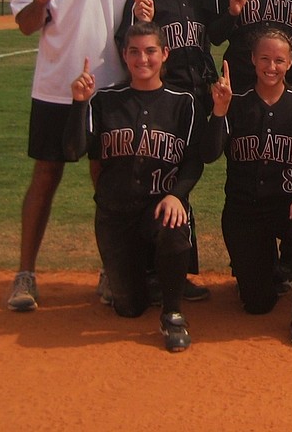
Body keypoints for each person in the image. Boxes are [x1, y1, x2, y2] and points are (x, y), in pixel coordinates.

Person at [7, 0, 149, 312]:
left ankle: (111, 272)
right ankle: (25, 274)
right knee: (46, 176)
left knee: (106, 182)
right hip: (56, 87)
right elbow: (25, 25)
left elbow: (140, 22)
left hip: (111, 89)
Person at [64, 22, 202, 351]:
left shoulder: (181, 102)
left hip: (158, 207)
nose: (143, 59)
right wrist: (79, 104)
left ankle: (172, 312)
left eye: (151, 51)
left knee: (173, 225)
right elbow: (74, 151)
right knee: (128, 308)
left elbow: (194, 161)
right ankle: (150, 277)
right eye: (135, 51)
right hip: (115, 215)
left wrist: (175, 195)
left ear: (165, 54)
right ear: (124, 56)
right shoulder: (104, 101)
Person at [202, 28, 292, 346]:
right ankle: (265, 268)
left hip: (288, 204)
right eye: (265, 59)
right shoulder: (235, 102)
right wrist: (218, 111)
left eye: (279, 60)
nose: (272, 66)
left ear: (291, 62)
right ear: (253, 60)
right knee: (257, 305)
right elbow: (209, 153)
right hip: (245, 210)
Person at [116, 0, 216, 303]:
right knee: (154, 177)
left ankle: (177, 270)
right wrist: (138, 17)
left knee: (182, 183)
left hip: (196, 99)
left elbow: (213, 37)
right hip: (160, 101)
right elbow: (125, 44)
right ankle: (145, 268)